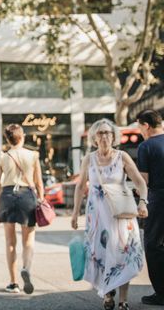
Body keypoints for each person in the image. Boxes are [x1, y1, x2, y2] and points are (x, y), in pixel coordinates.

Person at [71, 118, 148, 310]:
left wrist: (143, 202)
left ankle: (123, 300)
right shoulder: (89, 159)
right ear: (94, 138)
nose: (104, 136)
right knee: (101, 254)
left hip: (121, 216)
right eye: (100, 133)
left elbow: (140, 182)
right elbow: (80, 187)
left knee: (123, 256)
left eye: (107, 133)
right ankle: (107, 294)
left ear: (114, 136)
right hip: (97, 217)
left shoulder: (122, 157)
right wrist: (74, 214)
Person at [0, 123, 44, 294]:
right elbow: (39, 182)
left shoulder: (3, 157)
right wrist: (42, 198)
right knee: (28, 240)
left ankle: (13, 282)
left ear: (7, 139)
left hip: (8, 196)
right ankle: (26, 267)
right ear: (22, 136)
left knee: (10, 242)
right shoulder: (33, 155)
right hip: (27, 196)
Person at [136, 109, 164, 306]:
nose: (140, 131)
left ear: (146, 125)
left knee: (153, 245)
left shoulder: (146, 146)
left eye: (139, 127)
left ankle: (161, 293)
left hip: (158, 199)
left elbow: (143, 180)